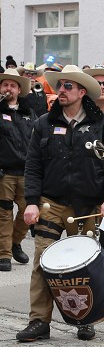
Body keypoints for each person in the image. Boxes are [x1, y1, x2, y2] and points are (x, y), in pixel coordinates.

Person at [18, 65, 104, 343]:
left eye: (67, 86)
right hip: (51, 203)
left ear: (81, 92)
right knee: (42, 261)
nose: (60, 91)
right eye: (60, 85)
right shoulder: (43, 123)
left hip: (87, 207)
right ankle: (38, 321)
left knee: (85, 266)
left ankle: (86, 320)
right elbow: (33, 166)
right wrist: (31, 202)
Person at [0, 69, 35, 270]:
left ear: (19, 89)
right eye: (5, 85)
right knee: (3, 214)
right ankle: (4, 254)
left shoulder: (29, 113)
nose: (9, 88)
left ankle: (14, 243)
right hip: (5, 172)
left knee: (27, 212)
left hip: (27, 172)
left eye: (13, 85)